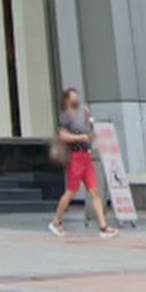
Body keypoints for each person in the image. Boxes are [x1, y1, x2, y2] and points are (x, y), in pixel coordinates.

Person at [47, 86, 106, 235]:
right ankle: (56, 220)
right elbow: (63, 136)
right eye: (74, 96)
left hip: (86, 157)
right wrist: (81, 138)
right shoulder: (66, 117)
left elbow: (90, 135)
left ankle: (103, 227)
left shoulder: (78, 118)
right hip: (76, 157)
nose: (77, 99)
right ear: (67, 100)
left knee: (95, 191)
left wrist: (89, 121)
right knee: (71, 192)